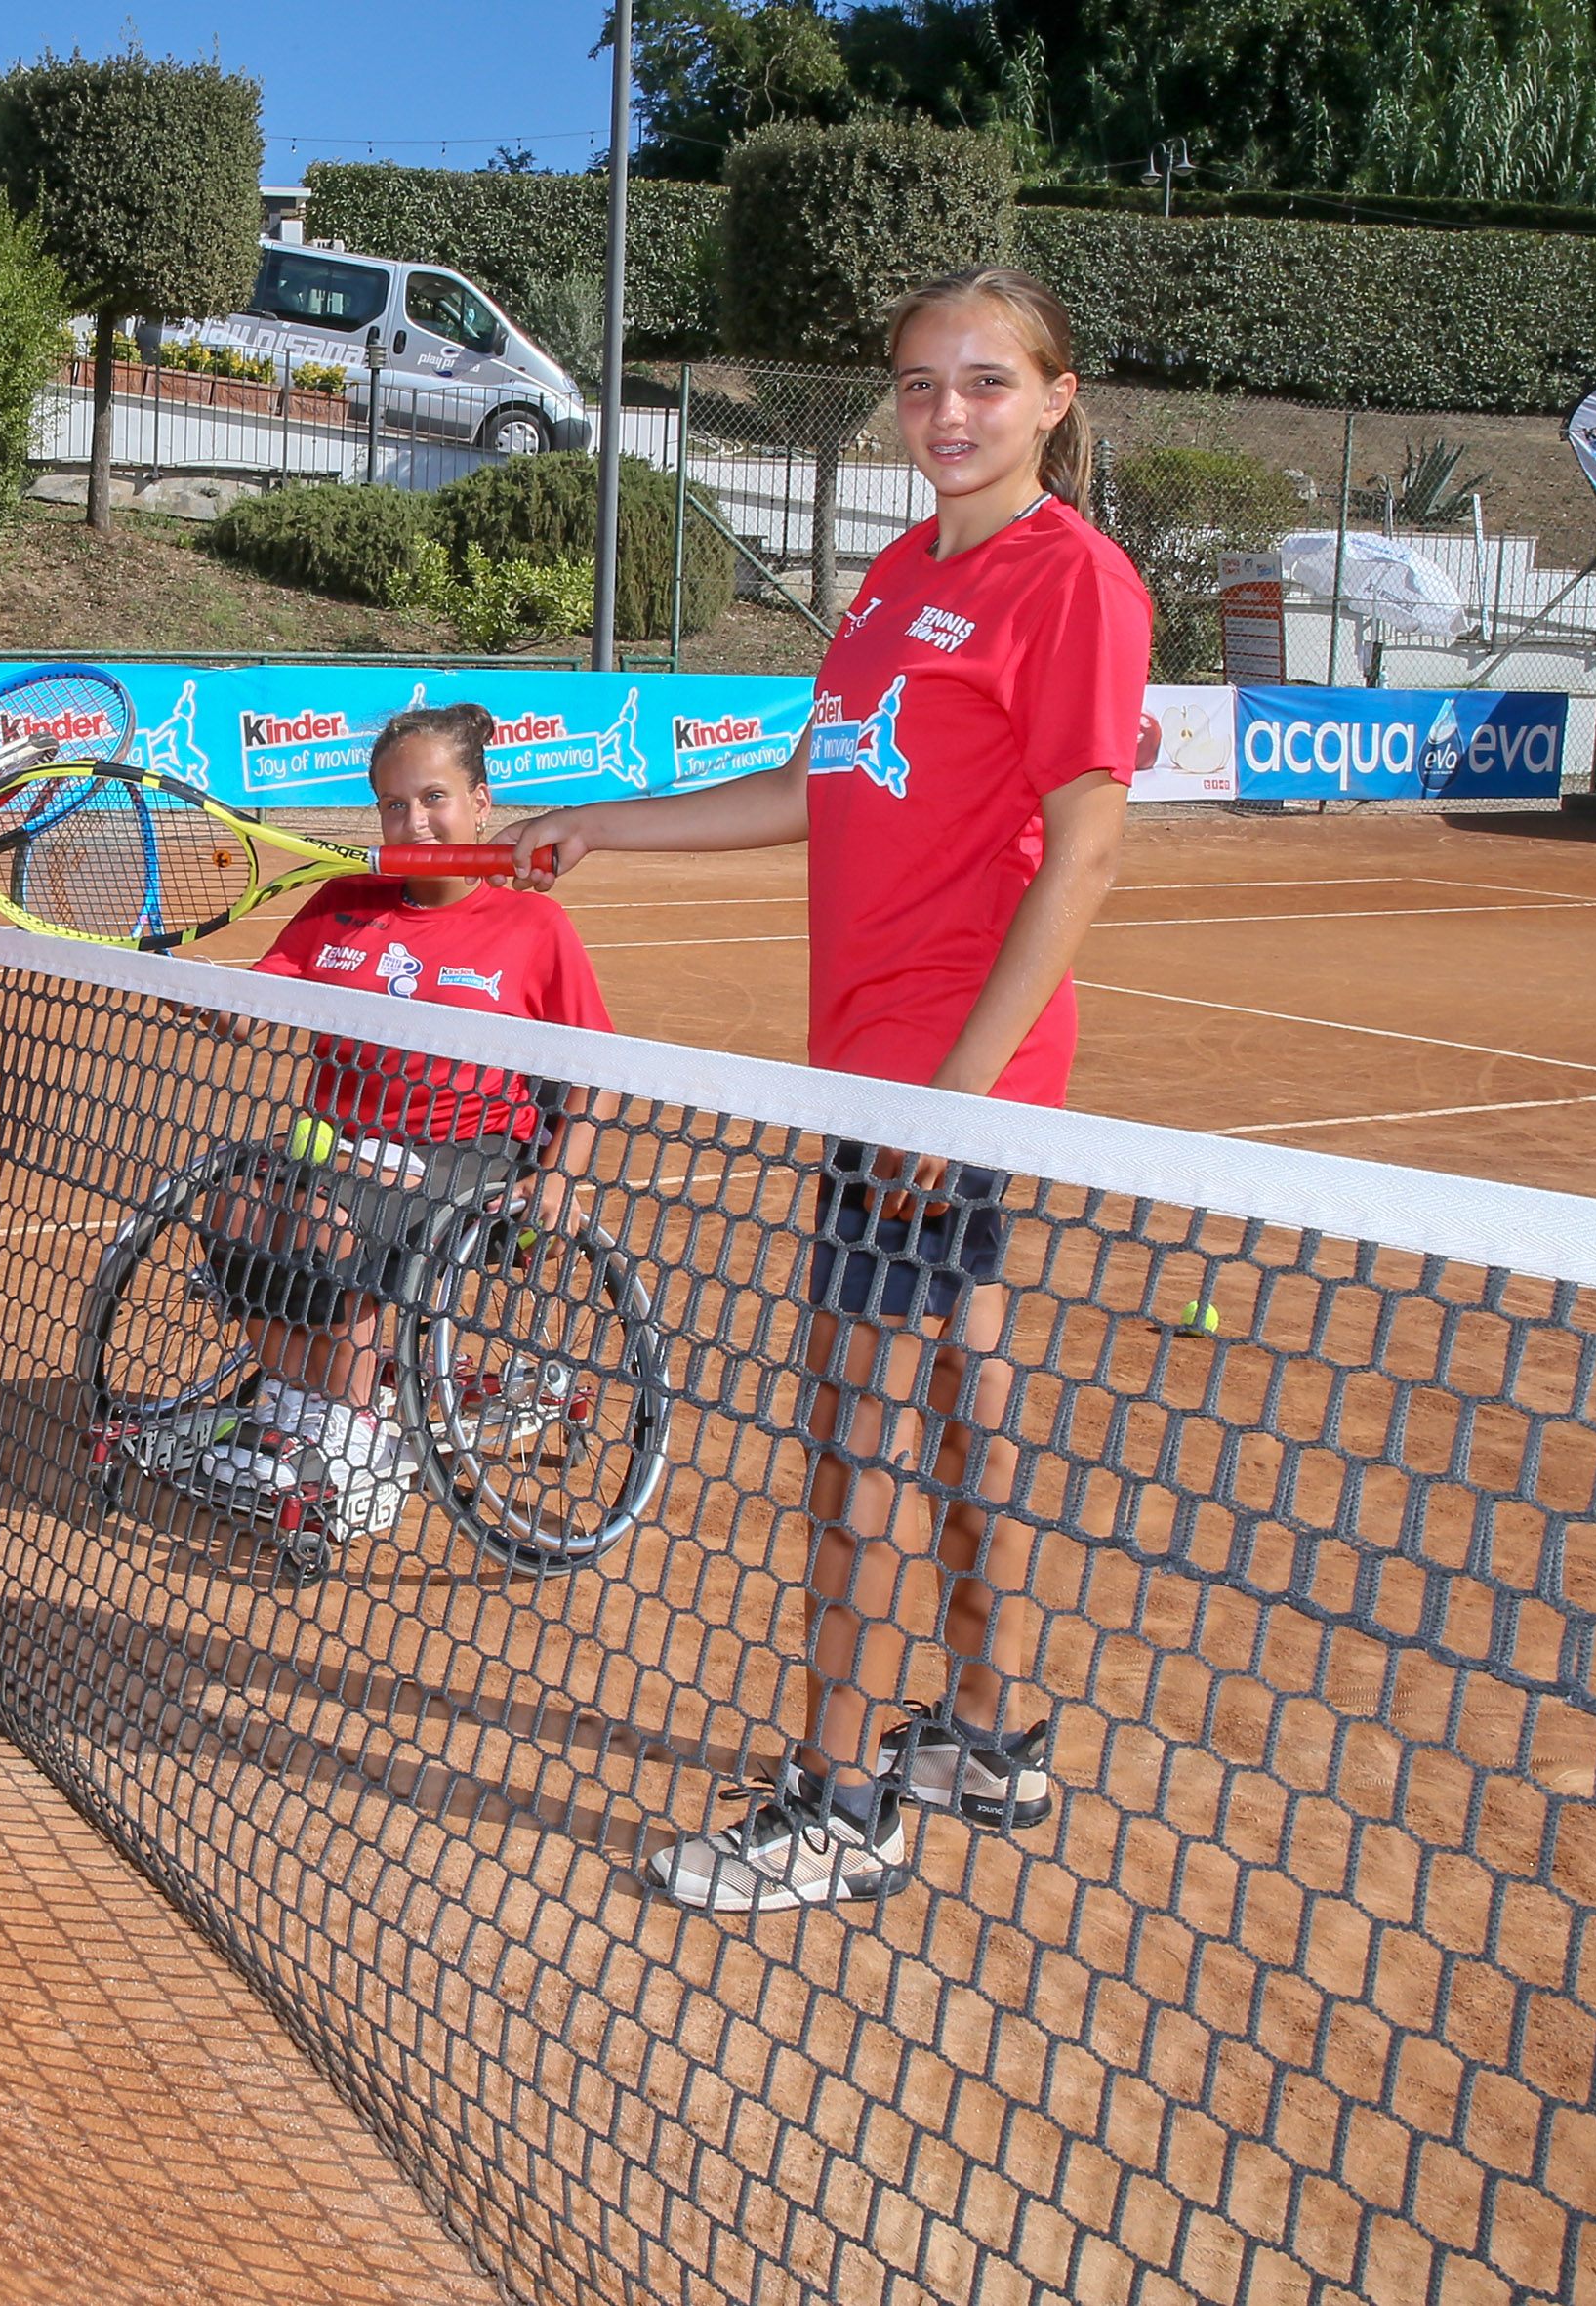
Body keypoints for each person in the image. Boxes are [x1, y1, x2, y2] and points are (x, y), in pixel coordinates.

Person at [500, 266, 1151, 1913]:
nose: (947, 412)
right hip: (887, 1060)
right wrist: (602, 823)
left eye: (985, 384)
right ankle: (986, 1730)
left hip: (937, 1068)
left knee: (845, 1430)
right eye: (921, 384)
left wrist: (952, 1091)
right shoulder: (891, 577)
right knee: (952, 1390)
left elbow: (1082, 849)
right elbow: (813, 787)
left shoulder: (1065, 580)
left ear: (1052, 400)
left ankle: (837, 1793)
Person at [182, 700, 616, 1537]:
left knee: (327, 1212)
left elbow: (592, 1065)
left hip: (471, 1154)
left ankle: (350, 1428)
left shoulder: (533, 924)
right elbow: (268, 989)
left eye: (434, 798)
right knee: (234, 1204)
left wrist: (562, 1171)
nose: (412, 818)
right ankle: (293, 1398)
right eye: (391, 804)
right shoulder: (341, 900)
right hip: (337, 1143)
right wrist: (230, 1008)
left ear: (481, 804)